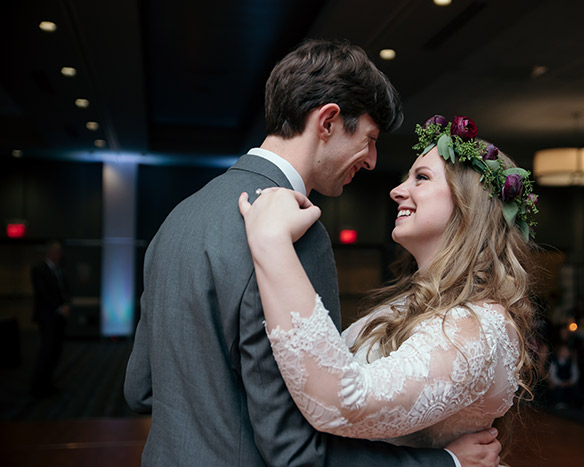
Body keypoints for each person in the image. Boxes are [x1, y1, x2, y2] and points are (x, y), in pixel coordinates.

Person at [124, 40, 501, 467]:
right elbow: (295, 449)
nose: (374, 161)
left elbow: (141, 388)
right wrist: (443, 463)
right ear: (328, 121)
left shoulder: (181, 216)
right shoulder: (296, 233)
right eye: (370, 139)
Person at [239, 114, 538, 455]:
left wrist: (271, 241)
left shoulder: (475, 326)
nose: (397, 192)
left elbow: (345, 403)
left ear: (469, 203)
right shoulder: (409, 303)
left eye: (421, 178)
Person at [30, 239, 71, 397]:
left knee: (55, 352)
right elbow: (43, 293)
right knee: (46, 351)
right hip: (47, 317)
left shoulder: (59, 270)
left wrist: (67, 305)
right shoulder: (39, 269)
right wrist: (59, 307)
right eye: (57, 252)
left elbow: (64, 290)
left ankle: (47, 383)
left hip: (59, 318)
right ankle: (37, 385)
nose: (59, 255)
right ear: (49, 252)